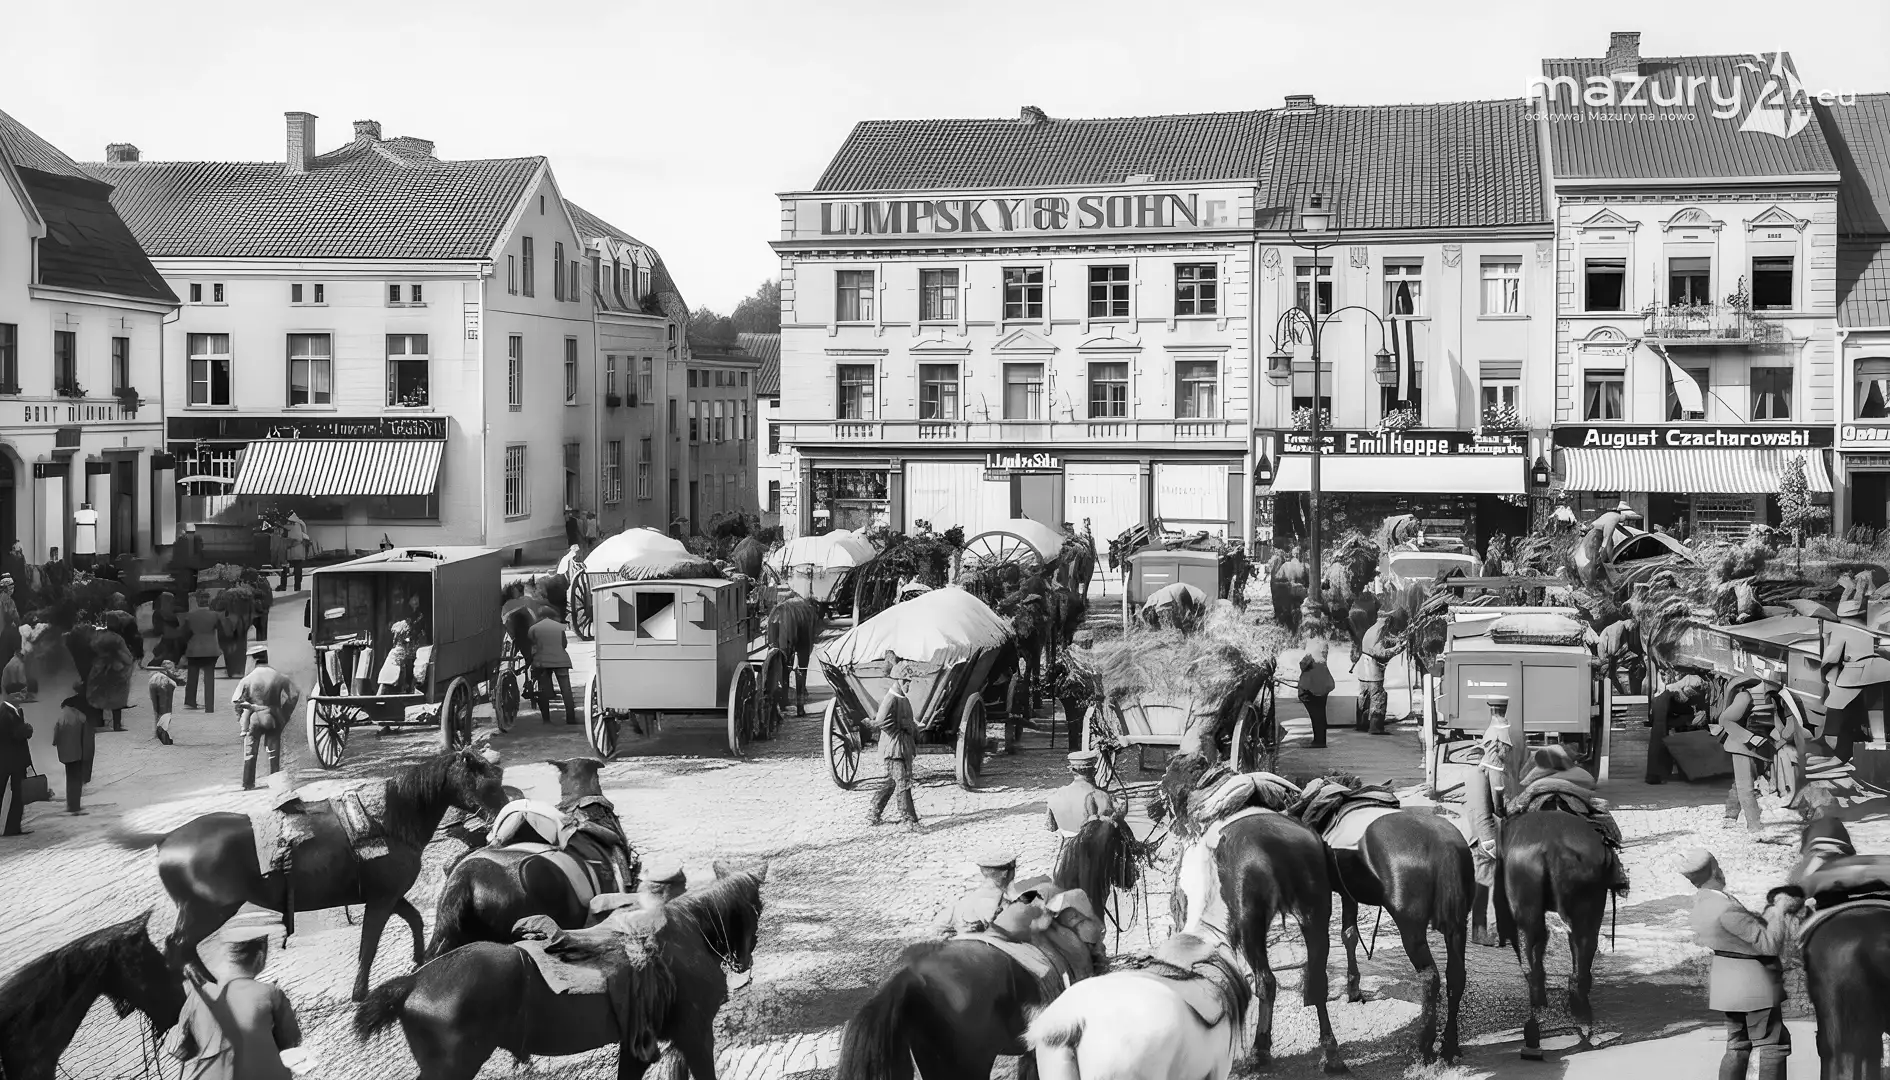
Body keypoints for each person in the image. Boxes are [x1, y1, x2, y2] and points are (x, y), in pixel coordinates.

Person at [1678, 848, 1799, 1080]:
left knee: (1737, 1044)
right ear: (1715, 869)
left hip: (1727, 982)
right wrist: (1779, 910)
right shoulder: (1726, 908)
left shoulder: (1702, 904)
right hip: (1752, 984)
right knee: (1770, 1045)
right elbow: (1768, 944)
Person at [166, 932, 303, 1080]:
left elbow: (179, 1048)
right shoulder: (270, 994)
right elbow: (291, 1039)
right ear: (259, 958)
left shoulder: (205, 997)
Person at [1464, 696, 1522, 946]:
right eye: (1504, 747)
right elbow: (1488, 808)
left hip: (1490, 830)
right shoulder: (1488, 771)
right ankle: (1486, 933)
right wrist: (1489, 839)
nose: (1507, 751)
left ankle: (1488, 930)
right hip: (1486, 833)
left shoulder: (1489, 768)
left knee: (1490, 880)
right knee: (1488, 880)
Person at [1712, 675, 1780, 834]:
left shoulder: (1770, 697)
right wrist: (1750, 738)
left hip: (1759, 747)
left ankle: (1730, 814)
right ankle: (1754, 826)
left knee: (1741, 784)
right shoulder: (1745, 696)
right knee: (1745, 787)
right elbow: (1725, 720)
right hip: (1742, 746)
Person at [866, 661, 921, 828]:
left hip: (902, 747)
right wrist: (903, 726)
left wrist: (913, 726)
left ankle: (873, 812)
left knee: (891, 782)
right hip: (894, 748)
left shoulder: (902, 699)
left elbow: (906, 719)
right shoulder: (890, 699)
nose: (909, 685)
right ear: (899, 681)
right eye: (907, 682)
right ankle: (909, 820)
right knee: (903, 782)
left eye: (909, 682)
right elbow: (881, 722)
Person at [231, 659, 300, 791]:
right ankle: (275, 781)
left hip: (254, 717)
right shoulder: (279, 677)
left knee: (250, 751)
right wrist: (285, 712)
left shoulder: (248, 679)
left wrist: (241, 717)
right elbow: (294, 694)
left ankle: (248, 783)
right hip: (273, 715)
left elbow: (237, 701)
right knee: (273, 752)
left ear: (255, 662)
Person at [931, 850, 1016, 937]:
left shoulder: (972, 896)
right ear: (1005, 873)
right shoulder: (993, 900)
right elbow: (1006, 931)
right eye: (1014, 869)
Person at [1646, 672, 1709, 784]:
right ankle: (1655, 775)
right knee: (1659, 741)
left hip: (1664, 708)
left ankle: (1658, 774)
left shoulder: (1680, 688)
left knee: (1660, 742)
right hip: (1662, 708)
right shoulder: (1676, 692)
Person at [1354, 609, 1406, 735]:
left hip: (1363, 670)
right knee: (1378, 697)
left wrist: (1397, 640)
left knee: (1364, 698)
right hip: (1373, 670)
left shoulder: (1373, 629)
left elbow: (1384, 641)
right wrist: (1398, 648)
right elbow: (1380, 652)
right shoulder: (1379, 631)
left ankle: (1362, 724)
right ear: (1388, 621)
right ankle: (1375, 727)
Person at [527, 616, 575, 725]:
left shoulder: (533, 628)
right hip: (561, 661)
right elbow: (564, 644)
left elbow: (532, 646)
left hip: (542, 662)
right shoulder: (559, 627)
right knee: (566, 690)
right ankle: (571, 718)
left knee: (543, 691)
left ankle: (546, 719)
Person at [0, 673, 32, 836]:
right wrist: (27, 729)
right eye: (22, 692)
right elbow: (13, 734)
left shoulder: (16, 711)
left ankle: (13, 827)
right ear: (13, 695)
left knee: (19, 795)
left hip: (16, 761)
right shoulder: (5, 713)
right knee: (12, 794)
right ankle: (10, 827)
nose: (24, 696)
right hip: (8, 761)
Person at [54, 687, 93, 815]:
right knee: (76, 780)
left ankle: (71, 804)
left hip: (66, 755)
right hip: (78, 754)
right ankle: (75, 806)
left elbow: (55, 739)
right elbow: (86, 738)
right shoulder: (81, 718)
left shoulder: (61, 719)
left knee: (70, 779)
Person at [183, 590, 224, 712]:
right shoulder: (215, 615)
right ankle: (209, 706)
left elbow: (185, 633)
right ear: (208, 600)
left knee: (192, 675)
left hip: (194, 648)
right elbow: (221, 630)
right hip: (211, 649)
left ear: (197, 601)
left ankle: (190, 701)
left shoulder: (190, 615)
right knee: (209, 677)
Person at [1297, 637, 1335, 749]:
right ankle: (1320, 740)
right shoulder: (1322, 654)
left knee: (1316, 715)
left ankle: (1319, 741)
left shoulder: (1311, 653)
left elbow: (1303, 664)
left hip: (1311, 687)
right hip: (1323, 684)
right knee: (1320, 714)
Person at [1596, 617, 1644, 696]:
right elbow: (1613, 649)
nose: (1632, 630)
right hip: (1608, 653)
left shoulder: (1622, 627)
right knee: (1610, 674)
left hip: (1613, 653)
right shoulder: (1618, 628)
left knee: (1612, 674)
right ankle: (1620, 693)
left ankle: (1624, 693)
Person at [1277, 546, 1309, 634]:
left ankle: (1289, 633)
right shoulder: (1306, 566)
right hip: (1301, 595)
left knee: (1288, 618)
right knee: (1300, 617)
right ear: (1301, 555)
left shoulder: (1285, 565)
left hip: (1289, 593)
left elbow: (1278, 579)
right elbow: (1311, 582)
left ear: (1292, 554)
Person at [151, 661, 183, 745]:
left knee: (158, 709)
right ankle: (162, 731)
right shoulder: (168, 678)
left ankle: (159, 729)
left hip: (155, 681)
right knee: (166, 709)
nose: (166, 665)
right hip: (165, 685)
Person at [281, 512, 311, 591]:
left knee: (284, 569)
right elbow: (304, 536)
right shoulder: (301, 524)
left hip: (291, 553)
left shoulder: (291, 525)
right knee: (298, 571)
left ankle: (283, 586)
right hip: (300, 552)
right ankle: (297, 587)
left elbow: (287, 538)